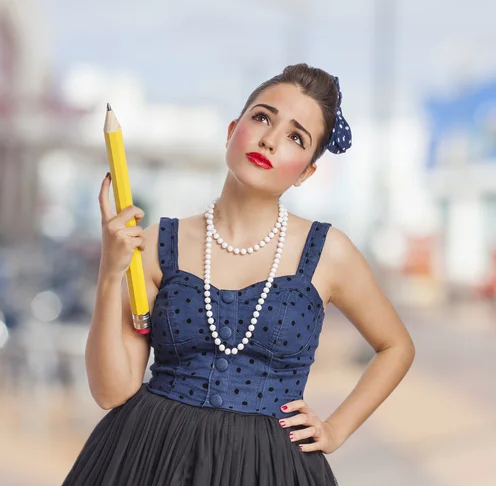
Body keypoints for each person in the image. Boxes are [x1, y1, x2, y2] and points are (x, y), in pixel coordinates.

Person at [62, 63, 415, 486]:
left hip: (272, 467)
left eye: (295, 137)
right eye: (263, 117)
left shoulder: (328, 252)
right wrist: (109, 273)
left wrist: (337, 428)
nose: (269, 139)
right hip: (151, 456)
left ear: (306, 172)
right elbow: (111, 391)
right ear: (232, 129)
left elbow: (396, 346)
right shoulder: (159, 242)